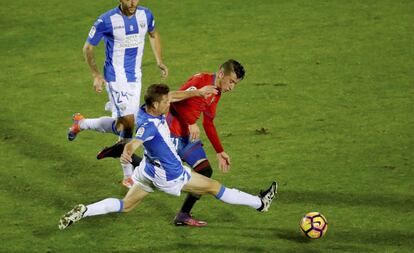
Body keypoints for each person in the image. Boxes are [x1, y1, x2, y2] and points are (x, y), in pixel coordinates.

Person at [58, 84, 278, 230]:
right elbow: (137, 141)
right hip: (170, 175)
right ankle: (260, 204)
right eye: (165, 103)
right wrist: (126, 151)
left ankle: (86, 211)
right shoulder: (149, 125)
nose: (169, 104)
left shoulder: (146, 108)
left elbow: (173, 95)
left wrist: (196, 92)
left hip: (147, 171)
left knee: (125, 205)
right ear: (156, 105)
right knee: (214, 187)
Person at [67, 0, 168, 188]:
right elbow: (88, 47)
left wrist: (159, 60)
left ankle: (81, 123)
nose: (132, 2)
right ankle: (128, 176)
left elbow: (153, 35)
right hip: (115, 76)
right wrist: (96, 75)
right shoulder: (106, 20)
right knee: (129, 122)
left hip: (135, 77)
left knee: (124, 126)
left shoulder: (145, 15)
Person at [165, 59, 245, 226]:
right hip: (171, 133)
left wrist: (219, 151)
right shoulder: (200, 81)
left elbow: (208, 122)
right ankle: (124, 153)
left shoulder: (216, 92)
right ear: (221, 74)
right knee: (158, 177)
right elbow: (172, 100)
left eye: (235, 84)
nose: (231, 87)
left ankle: (183, 215)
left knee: (205, 171)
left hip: (188, 137)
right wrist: (190, 122)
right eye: (231, 81)